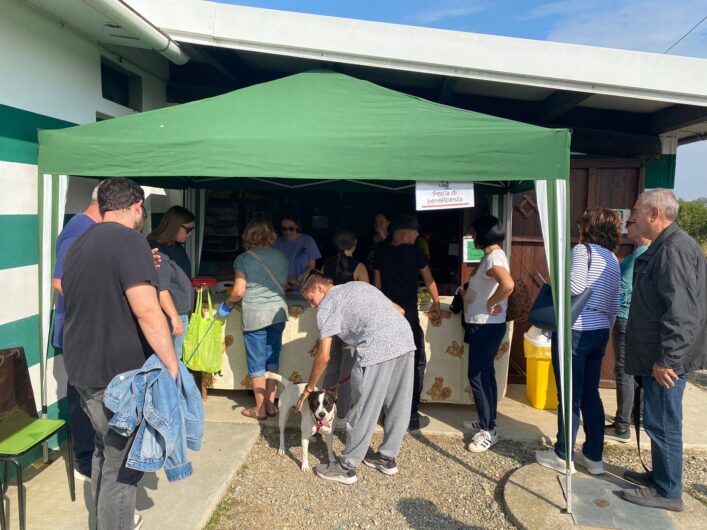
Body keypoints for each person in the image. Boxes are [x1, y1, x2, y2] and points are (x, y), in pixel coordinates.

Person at [62, 178, 179, 530]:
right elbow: (147, 311)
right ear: (137, 206)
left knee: (105, 454)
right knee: (124, 469)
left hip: (83, 370)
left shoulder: (80, 241)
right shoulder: (130, 241)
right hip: (116, 378)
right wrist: (171, 366)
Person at [620, 189, 707, 512]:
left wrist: (667, 359)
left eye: (636, 212)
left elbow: (682, 312)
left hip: (667, 360)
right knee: (657, 419)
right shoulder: (668, 245)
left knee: (664, 422)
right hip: (660, 355)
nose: (633, 218)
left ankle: (669, 491)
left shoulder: (674, 249)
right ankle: (660, 477)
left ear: (654, 213)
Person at [295, 273, 414, 485]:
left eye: (311, 299)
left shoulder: (327, 306)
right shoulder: (359, 286)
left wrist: (308, 389)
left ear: (320, 288)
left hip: (376, 348)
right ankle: (387, 458)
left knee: (363, 408)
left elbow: (324, 356)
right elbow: (400, 310)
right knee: (399, 403)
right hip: (405, 340)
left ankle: (346, 467)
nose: (312, 306)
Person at [536, 207, 621, 475]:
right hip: (599, 332)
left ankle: (563, 455)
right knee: (590, 394)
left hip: (577, 330)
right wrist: (604, 329)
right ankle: (593, 456)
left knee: (568, 395)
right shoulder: (613, 259)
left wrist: (554, 277)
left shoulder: (582, 252)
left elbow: (573, 288)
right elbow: (615, 302)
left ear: (587, 227)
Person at [51, 184, 102, 483]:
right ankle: (83, 461)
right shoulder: (78, 230)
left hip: (87, 330)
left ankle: (90, 455)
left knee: (91, 396)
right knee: (81, 398)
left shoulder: (91, 229)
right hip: (77, 331)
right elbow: (60, 281)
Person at [374, 214, 441, 432]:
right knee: (415, 365)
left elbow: (377, 287)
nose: (418, 235)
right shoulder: (415, 252)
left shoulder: (380, 250)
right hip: (409, 318)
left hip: (387, 318)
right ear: (404, 234)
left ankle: (388, 412)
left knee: (388, 365)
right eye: (415, 232)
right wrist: (437, 303)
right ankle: (410, 415)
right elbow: (429, 278)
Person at [460, 216, 514, 453]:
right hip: (485, 324)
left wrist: (491, 302)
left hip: (485, 324)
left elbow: (508, 285)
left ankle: (488, 430)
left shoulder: (493, 258)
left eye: (473, 233)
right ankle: (487, 419)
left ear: (483, 234)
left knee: (478, 376)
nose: (471, 238)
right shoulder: (493, 256)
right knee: (486, 374)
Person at [226, 218, 289, 420]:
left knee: (256, 363)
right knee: (272, 360)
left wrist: (227, 304)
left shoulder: (244, 259)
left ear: (249, 235)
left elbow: (238, 291)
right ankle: (271, 406)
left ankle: (260, 409)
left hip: (255, 315)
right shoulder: (282, 257)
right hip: (278, 313)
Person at [605, 219, 651, 443]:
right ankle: (634, 417)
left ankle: (622, 426)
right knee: (633, 370)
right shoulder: (645, 251)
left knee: (624, 371)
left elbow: (623, 286)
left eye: (632, 221)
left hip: (625, 317)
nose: (628, 225)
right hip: (635, 318)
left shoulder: (642, 251)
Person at [320, 227, 369, 427]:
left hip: (330, 322)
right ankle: (343, 413)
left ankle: (323, 409)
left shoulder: (326, 264)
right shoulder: (359, 267)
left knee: (331, 367)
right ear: (355, 244)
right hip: (352, 325)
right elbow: (366, 296)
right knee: (347, 372)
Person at [147, 206, 196, 359]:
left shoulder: (176, 247)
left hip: (180, 313)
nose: (190, 234)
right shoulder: (158, 250)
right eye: (188, 229)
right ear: (175, 225)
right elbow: (161, 289)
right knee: (172, 362)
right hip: (170, 316)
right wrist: (174, 317)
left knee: (177, 360)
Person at [274, 215, 321, 292]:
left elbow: (311, 266)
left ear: (297, 226)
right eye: (284, 229)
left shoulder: (308, 241)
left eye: (291, 229)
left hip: (304, 288)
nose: (288, 232)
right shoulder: (278, 243)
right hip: (283, 287)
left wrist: (298, 278)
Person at [364, 212, 390, 279]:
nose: (378, 225)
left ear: (388, 223)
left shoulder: (392, 238)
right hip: (369, 273)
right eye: (376, 222)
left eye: (381, 222)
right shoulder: (368, 237)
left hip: (385, 274)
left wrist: (383, 238)